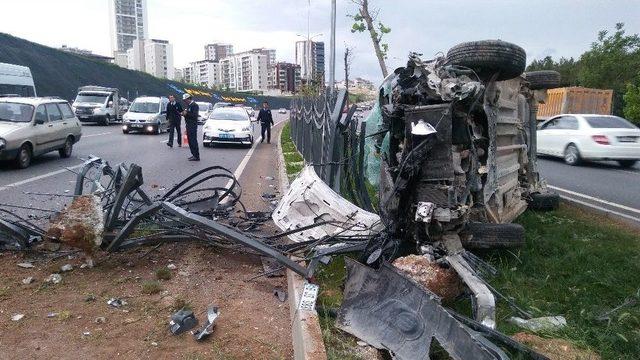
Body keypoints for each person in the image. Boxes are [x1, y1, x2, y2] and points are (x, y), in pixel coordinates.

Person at [181, 93, 200, 161]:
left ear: (189, 99)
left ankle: (196, 156)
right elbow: (188, 114)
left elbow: (194, 115)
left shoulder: (194, 105)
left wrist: (187, 113)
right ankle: (193, 154)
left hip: (192, 125)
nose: (185, 101)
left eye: (185, 100)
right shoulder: (189, 105)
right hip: (188, 125)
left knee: (193, 140)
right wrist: (184, 114)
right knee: (190, 140)